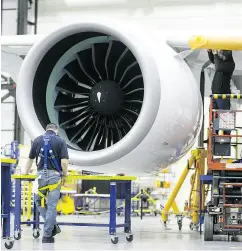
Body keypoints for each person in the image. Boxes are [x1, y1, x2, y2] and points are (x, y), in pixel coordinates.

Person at [24, 123, 69, 243]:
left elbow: (30, 159)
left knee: (38, 201)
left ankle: (52, 226)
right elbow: (64, 162)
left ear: (46, 130)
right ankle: (48, 234)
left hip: (40, 177)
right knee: (52, 206)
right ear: (56, 131)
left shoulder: (37, 140)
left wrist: (24, 173)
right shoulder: (60, 141)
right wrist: (65, 174)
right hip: (54, 177)